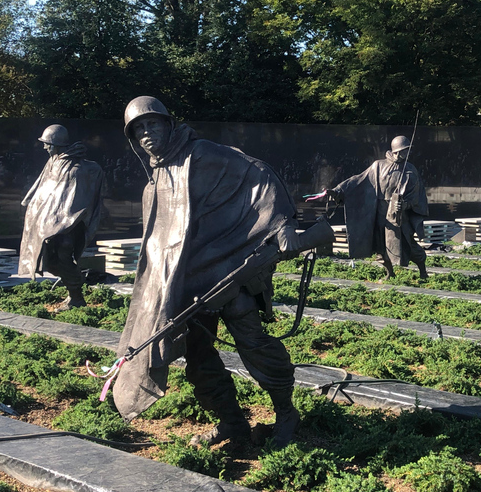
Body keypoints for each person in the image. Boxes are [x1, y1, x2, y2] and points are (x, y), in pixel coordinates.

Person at [112, 96, 323, 449]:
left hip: (231, 270)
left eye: (152, 124)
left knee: (254, 346)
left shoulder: (202, 154)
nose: (147, 133)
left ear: (169, 124)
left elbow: (257, 172)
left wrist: (283, 224)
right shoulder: (156, 180)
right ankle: (232, 424)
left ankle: (286, 414)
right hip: (189, 284)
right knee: (197, 359)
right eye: (139, 129)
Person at [18, 125, 104, 310]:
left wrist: (61, 224)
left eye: (47, 144)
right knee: (51, 262)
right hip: (50, 223)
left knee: (64, 257)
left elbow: (78, 201)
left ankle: (76, 297)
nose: (44, 147)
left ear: (56, 144)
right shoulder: (53, 162)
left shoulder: (78, 169)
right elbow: (43, 189)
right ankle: (75, 288)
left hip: (68, 226)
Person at [328, 135, 429, 279]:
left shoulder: (410, 170)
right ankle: (390, 273)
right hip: (380, 212)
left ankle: (423, 271)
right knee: (380, 246)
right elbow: (359, 179)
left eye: (408, 150)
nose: (407, 153)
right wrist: (338, 190)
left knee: (408, 245)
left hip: (399, 215)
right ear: (397, 151)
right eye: (405, 150)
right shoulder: (378, 166)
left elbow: (416, 196)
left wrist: (405, 204)